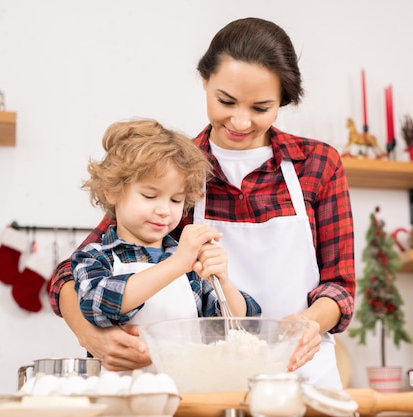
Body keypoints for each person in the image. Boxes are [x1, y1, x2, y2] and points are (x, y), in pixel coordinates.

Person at [48, 17, 355, 388]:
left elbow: (339, 286)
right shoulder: (176, 169)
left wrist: (308, 324)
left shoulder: (318, 164)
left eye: (261, 108)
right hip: (211, 377)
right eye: (226, 101)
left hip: (304, 370)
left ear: (283, 102)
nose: (240, 121)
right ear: (204, 80)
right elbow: (70, 273)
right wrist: (90, 336)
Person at [71, 118, 261, 330]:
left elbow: (244, 326)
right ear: (112, 191)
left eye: (176, 200)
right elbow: (97, 306)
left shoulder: (191, 266)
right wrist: (176, 264)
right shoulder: (94, 257)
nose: (164, 210)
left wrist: (223, 282)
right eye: (150, 196)